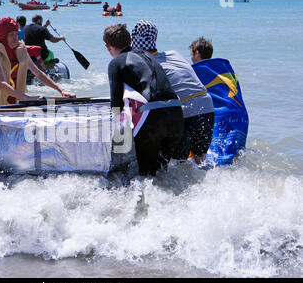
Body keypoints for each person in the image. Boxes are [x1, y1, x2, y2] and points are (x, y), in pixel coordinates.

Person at [103, 24, 184, 176]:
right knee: (163, 173)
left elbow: (116, 105)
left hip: (153, 119)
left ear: (107, 46)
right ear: (131, 41)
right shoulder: (150, 56)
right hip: (176, 115)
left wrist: (117, 139)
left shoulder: (116, 63)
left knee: (147, 177)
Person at [131, 20, 214, 165]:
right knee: (200, 160)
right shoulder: (174, 54)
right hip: (207, 106)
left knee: (178, 164)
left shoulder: (146, 65)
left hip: (186, 112)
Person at [0, 17, 75, 109]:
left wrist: (61, 90)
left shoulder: (21, 51)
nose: (15, 38)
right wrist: (27, 98)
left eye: (16, 34)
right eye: (11, 35)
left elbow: (39, 74)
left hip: (13, 104)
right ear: (3, 37)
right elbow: (1, 84)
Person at [189, 37, 249, 165]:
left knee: (216, 162)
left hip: (222, 116)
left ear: (197, 53)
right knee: (236, 159)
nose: (191, 58)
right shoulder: (223, 69)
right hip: (241, 114)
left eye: (191, 54)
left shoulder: (196, 70)